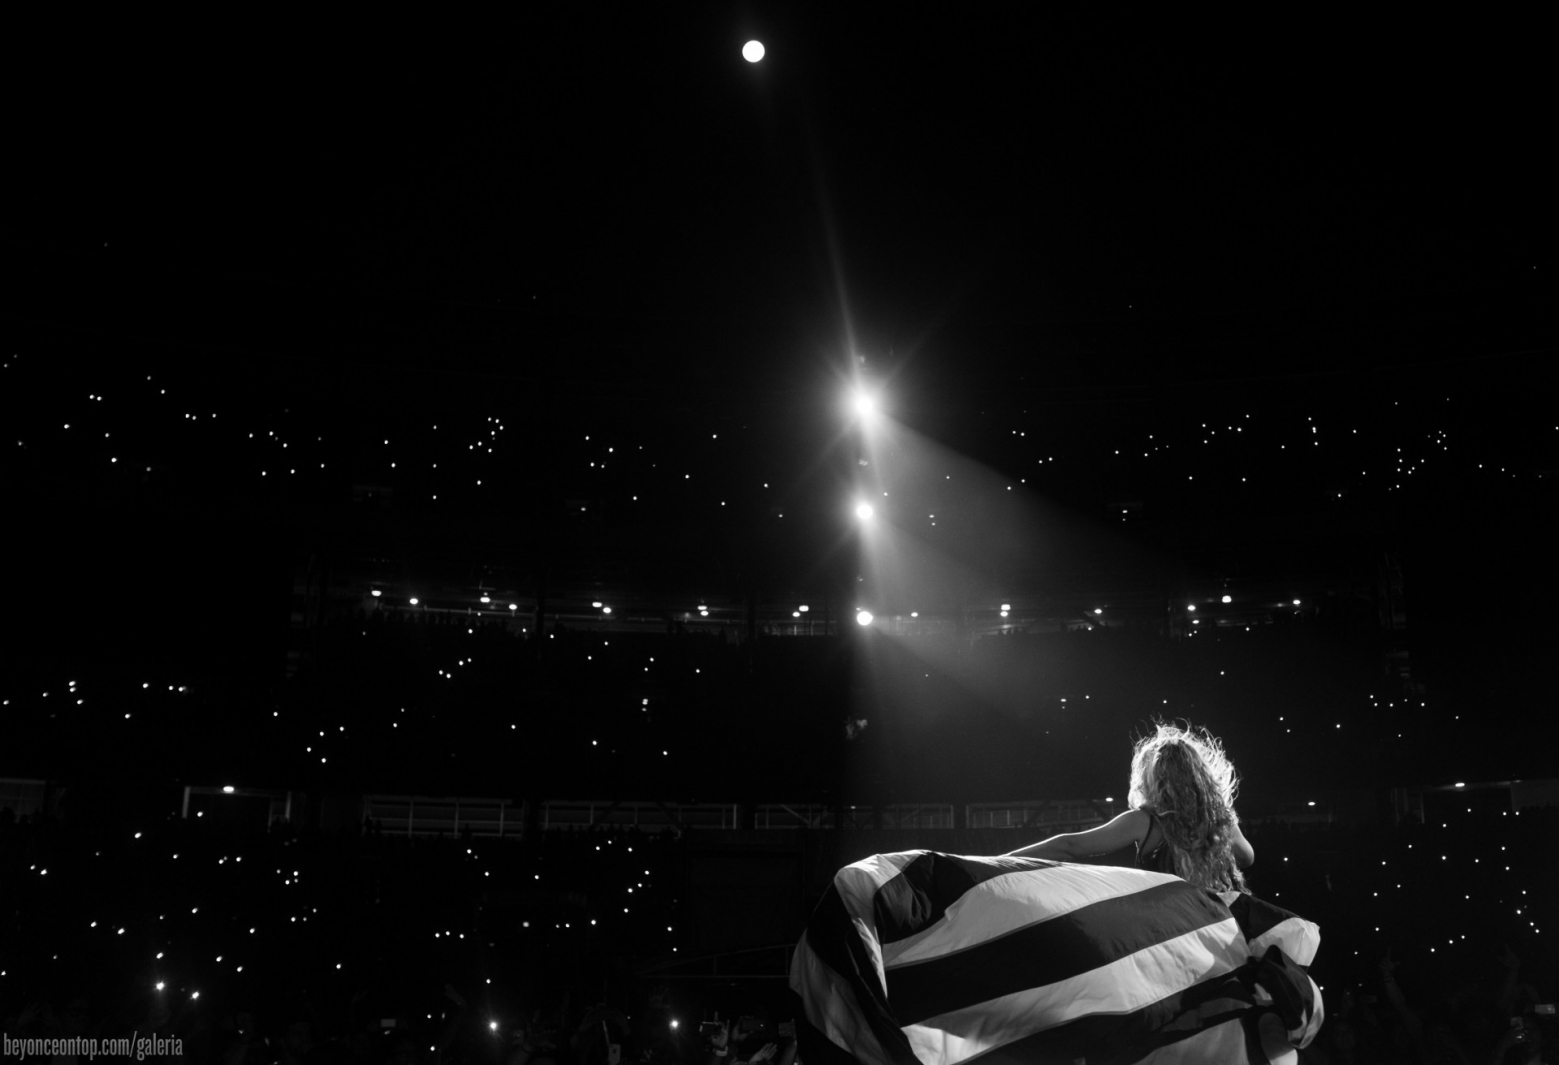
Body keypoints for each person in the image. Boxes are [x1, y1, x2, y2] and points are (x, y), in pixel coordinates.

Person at [1006, 721, 1254, 892]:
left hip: (1172, 932)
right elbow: (1247, 857)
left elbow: (1069, 846)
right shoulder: (1220, 820)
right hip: (1220, 927)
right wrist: (1208, 853)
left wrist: (1000, 861)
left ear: (1153, 779)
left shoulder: (1144, 821)